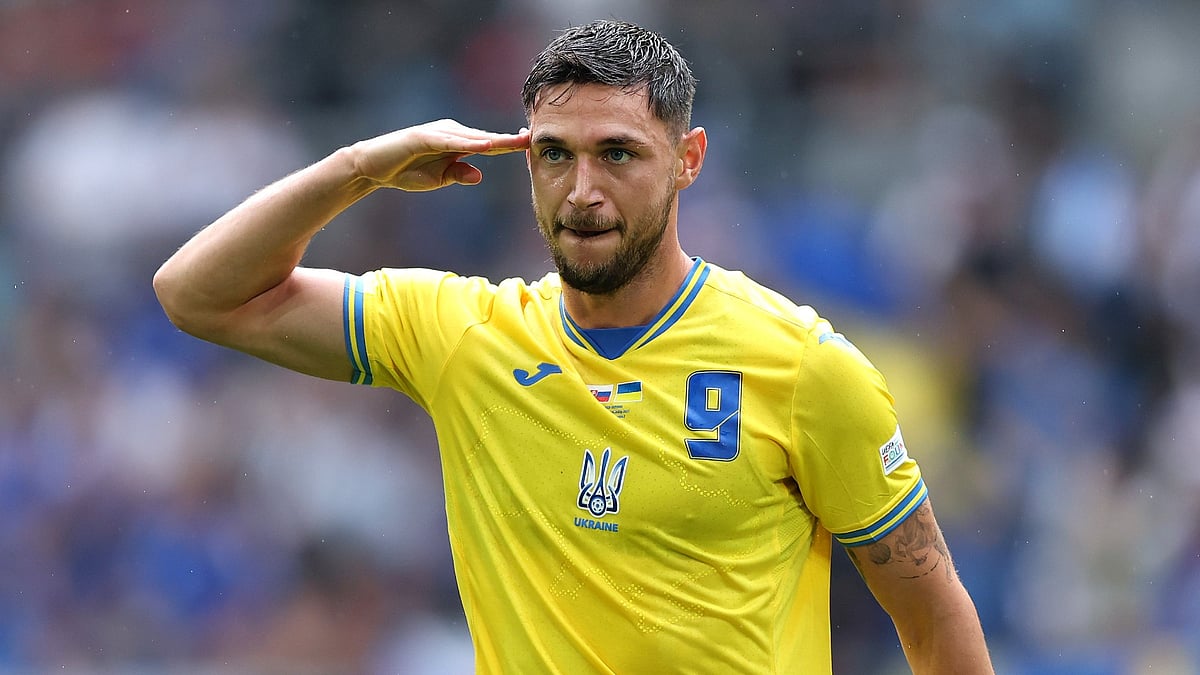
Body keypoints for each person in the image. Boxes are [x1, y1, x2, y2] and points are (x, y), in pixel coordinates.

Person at [154, 18, 993, 674]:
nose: (582, 191)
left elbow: (931, 611)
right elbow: (197, 293)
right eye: (554, 155)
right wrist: (359, 164)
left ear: (687, 160)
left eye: (618, 154)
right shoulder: (460, 333)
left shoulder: (805, 367)